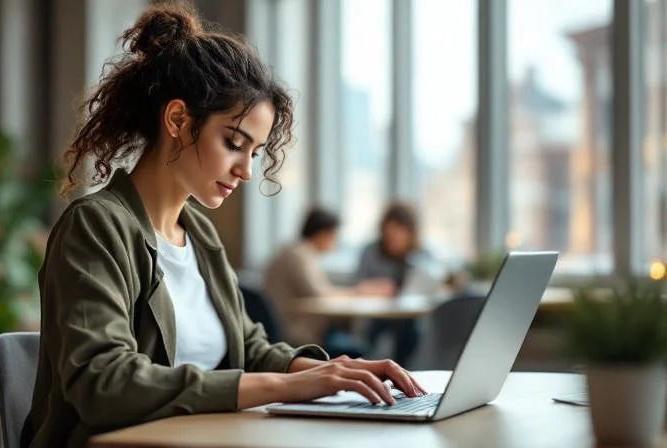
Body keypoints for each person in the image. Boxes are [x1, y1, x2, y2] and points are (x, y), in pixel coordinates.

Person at [21, 4, 424, 447]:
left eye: (254, 152)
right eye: (234, 143)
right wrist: (287, 388)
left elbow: (248, 349)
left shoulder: (200, 235)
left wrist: (335, 373)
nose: (246, 170)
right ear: (177, 120)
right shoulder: (96, 227)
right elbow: (104, 382)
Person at [262, 208, 392, 349]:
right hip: (295, 333)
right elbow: (320, 294)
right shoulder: (298, 255)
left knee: (360, 335)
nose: (336, 242)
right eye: (335, 235)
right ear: (324, 234)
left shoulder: (297, 252)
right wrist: (360, 291)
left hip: (292, 326)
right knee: (359, 346)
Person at [355, 201, 428, 366]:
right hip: (377, 317)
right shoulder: (371, 252)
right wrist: (378, 288)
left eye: (400, 234)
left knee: (412, 331)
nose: (394, 240)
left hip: (409, 318)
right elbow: (358, 286)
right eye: (390, 234)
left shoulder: (420, 255)